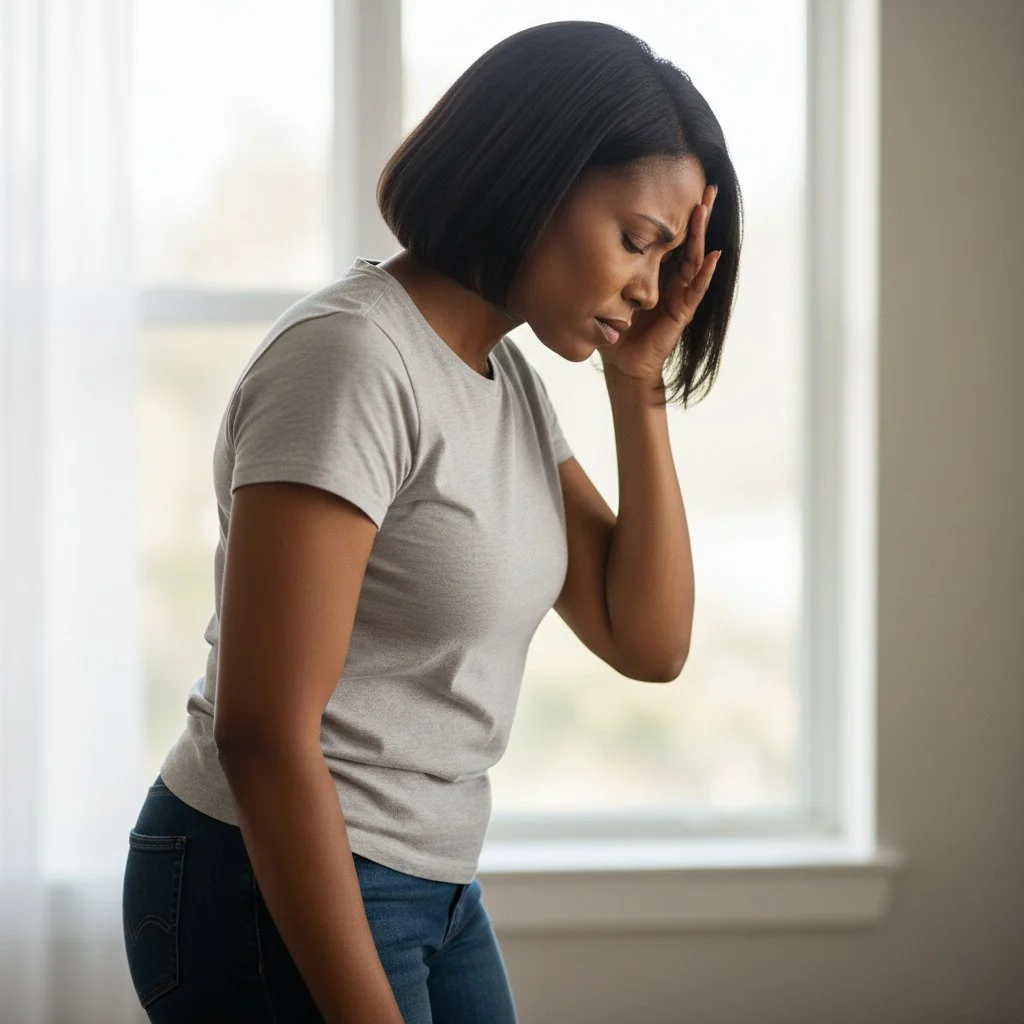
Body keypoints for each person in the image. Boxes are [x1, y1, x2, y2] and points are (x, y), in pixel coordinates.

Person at [121, 18, 742, 1024]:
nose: (646, 284)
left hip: (432, 883)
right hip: (260, 868)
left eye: (667, 260)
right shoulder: (353, 360)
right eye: (637, 241)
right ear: (537, 174)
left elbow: (649, 638)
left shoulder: (504, 386)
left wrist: (638, 385)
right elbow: (263, 733)